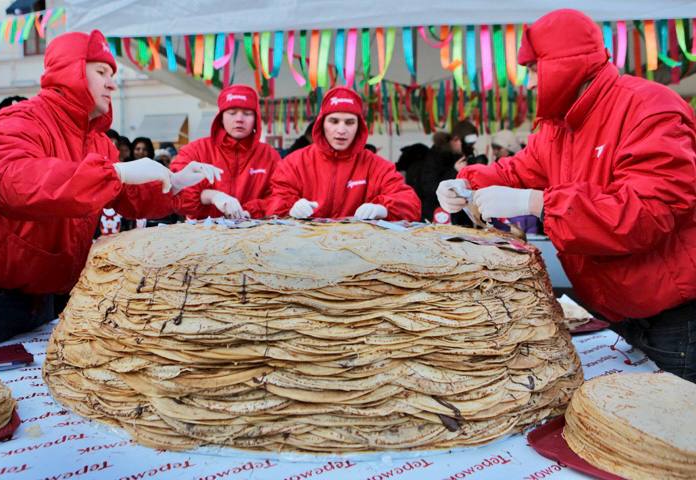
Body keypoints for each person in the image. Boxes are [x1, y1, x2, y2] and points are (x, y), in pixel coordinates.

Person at [437, 9, 696, 381]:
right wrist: (466, 181)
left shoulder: (650, 108)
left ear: (564, 66)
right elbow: (518, 169)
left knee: (669, 430)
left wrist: (537, 203)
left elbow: (646, 214)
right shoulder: (558, 127)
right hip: (612, 311)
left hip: (671, 321)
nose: (528, 84)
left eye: (534, 71)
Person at [0, 30, 220, 348]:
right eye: (101, 71)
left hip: (51, 295)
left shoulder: (100, 143)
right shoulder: (20, 120)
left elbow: (128, 196)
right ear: (71, 71)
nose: (111, 83)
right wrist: (115, 171)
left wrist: (173, 183)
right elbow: (9, 183)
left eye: (112, 74)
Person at [269, 86, 420, 221]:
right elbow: (274, 202)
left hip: (358, 249)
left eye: (349, 122)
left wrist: (383, 209)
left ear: (359, 126)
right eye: (334, 121)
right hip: (305, 248)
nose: (341, 130)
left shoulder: (376, 165)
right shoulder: (295, 162)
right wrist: (290, 207)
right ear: (322, 124)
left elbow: (410, 204)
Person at [171, 84, 280, 220]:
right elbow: (176, 195)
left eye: (247, 113)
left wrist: (250, 211)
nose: (239, 119)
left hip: (254, 235)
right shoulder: (195, 151)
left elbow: (279, 196)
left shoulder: (269, 156)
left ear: (256, 118)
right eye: (232, 112)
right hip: (203, 236)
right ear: (221, 117)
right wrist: (211, 196)